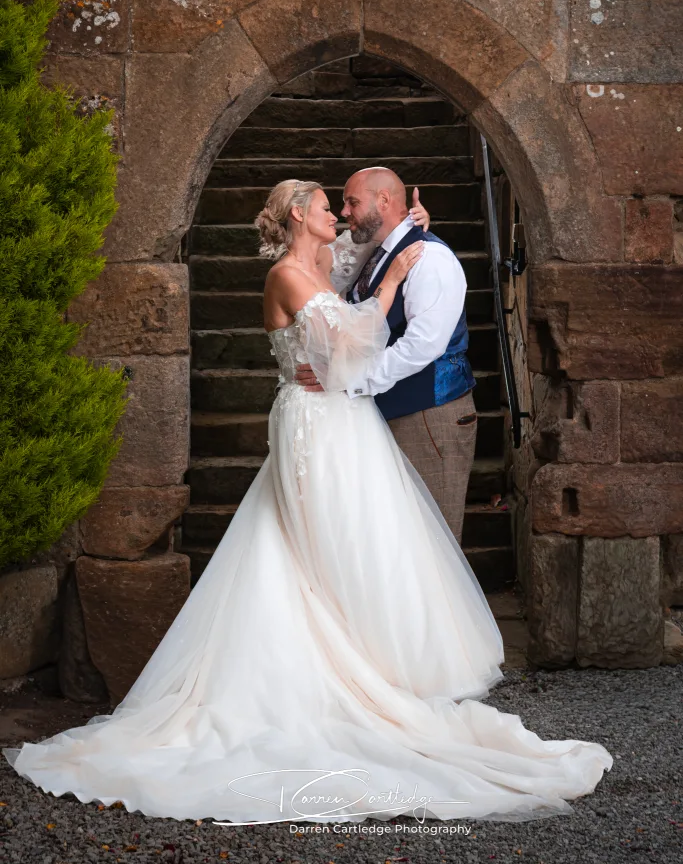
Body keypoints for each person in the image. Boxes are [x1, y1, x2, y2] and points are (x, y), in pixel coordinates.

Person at [2, 179, 613, 826]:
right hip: (312, 424)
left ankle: (371, 672)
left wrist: (406, 232)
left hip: (343, 421)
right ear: (300, 214)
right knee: (308, 549)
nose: (339, 216)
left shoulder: (325, 258)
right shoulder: (289, 275)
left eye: (344, 205)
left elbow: (360, 256)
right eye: (329, 206)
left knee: (353, 549)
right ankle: (317, 684)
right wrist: (389, 283)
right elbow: (347, 344)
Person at [296, 166, 477, 545]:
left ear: (383, 201)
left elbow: (421, 346)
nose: (344, 213)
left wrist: (350, 379)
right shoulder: (376, 253)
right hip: (388, 411)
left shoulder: (430, 259)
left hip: (429, 415)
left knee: (433, 544)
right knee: (400, 544)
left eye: (352, 202)